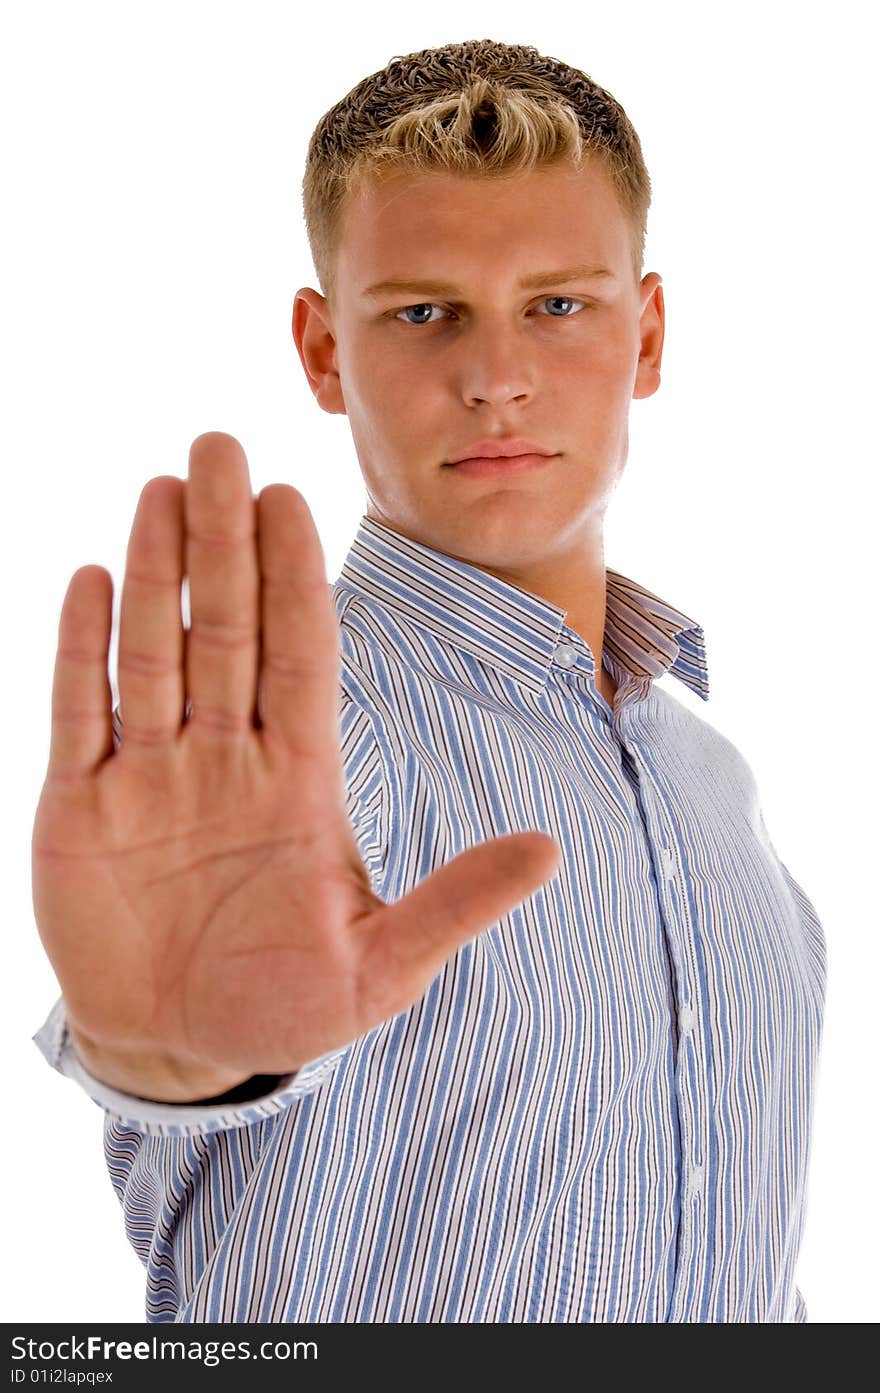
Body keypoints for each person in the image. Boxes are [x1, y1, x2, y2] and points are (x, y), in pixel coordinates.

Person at [30, 37, 826, 1323]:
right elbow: (181, 1032)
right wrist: (173, 1064)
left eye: (559, 305)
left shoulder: (711, 778)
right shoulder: (311, 740)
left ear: (649, 332)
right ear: (323, 350)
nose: (494, 375)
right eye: (422, 312)